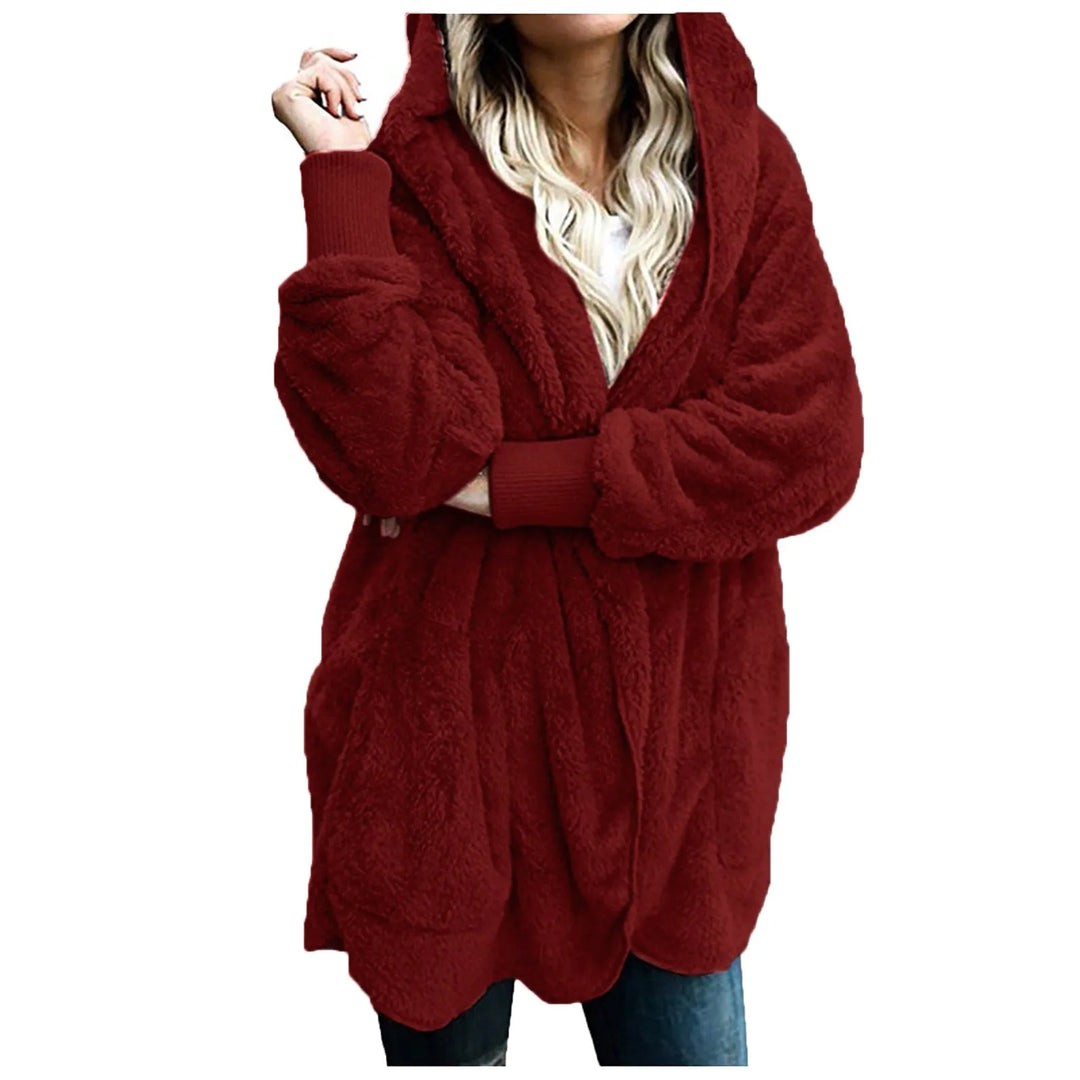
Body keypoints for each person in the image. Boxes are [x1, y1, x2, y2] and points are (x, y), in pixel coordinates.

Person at [270, 12, 863, 1067]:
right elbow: (396, 450)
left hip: (676, 781)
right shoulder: (413, 171)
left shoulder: (742, 166)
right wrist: (344, 181)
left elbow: (807, 442)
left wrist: (524, 482)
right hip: (450, 750)